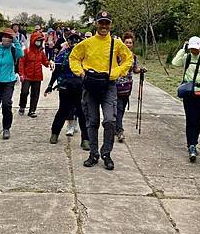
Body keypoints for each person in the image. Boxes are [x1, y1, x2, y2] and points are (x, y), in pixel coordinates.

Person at [70, 11, 133, 170]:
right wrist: (81, 73)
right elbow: (74, 57)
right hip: (90, 85)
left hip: (109, 85)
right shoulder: (87, 43)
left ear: (110, 24)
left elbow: (128, 59)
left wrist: (117, 72)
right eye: (101, 22)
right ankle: (93, 153)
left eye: (107, 23)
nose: (104, 26)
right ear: (96, 24)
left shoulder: (116, 43)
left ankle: (106, 153)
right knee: (92, 121)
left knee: (110, 120)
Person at [171, 36, 200, 162]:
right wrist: (183, 49)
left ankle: (194, 142)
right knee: (190, 119)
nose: (194, 51)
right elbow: (175, 63)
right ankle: (191, 145)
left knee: (198, 119)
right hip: (189, 93)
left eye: (196, 48)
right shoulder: (187, 57)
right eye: (192, 48)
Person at [46, 32, 89, 150]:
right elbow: (57, 71)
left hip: (81, 88)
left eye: (77, 40)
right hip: (65, 87)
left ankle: (85, 139)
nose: (74, 42)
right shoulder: (63, 55)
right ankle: (55, 133)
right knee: (63, 111)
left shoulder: (85, 56)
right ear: (68, 42)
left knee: (82, 113)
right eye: (71, 40)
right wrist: (50, 85)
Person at [0, 28, 24, 140]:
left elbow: (21, 54)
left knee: (6, 104)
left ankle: (6, 128)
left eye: (9, 37)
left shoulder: (13, 50)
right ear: (1, 38)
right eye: (5, 37)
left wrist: (15, 39)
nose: (6, 39)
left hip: (8, 81)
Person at [115, 32, 146, 143]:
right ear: (123, 43)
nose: (128, 44)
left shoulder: (133, 57)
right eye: (126, 42)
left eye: (130, 43)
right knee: (118, 107)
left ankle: (116, 126)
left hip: (127, 86)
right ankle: (119, 130)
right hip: (116, 85)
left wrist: (141, 70)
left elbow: (135, 69)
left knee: (122, 107)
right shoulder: (117, 55)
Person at [18, 31, 50, 117]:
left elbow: (45, 62)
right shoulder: (26, 51)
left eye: (40, 41)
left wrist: (49, 63)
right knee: (24, 92)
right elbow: (21, 63)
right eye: (38, 40)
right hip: (27, 76)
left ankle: (32, 110)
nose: (39, 42)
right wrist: (21, 74)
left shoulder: (41, 52)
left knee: (35, 94)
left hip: (37, 76)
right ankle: (22, 106)